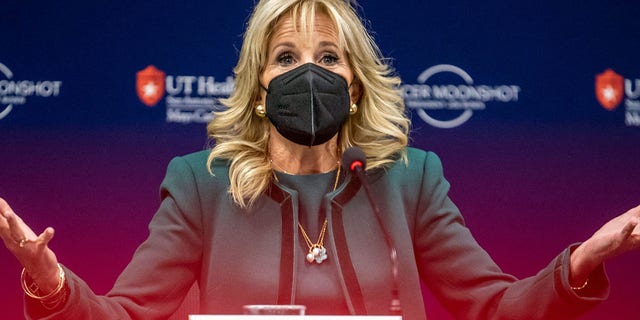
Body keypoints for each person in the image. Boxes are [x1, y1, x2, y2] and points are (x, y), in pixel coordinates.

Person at [1, 0, 639, 319]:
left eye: (329, 58)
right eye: (286, 58)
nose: (309, 73)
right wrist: (51, 285)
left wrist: (580, 262)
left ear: (356, 83)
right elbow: (127, 315)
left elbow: (495, 306)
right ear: (258, 86)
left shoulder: (410, 180)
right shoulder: (201, 185)